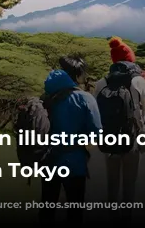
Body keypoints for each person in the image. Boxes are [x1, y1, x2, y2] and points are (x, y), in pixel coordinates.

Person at [39, 56, 102, 225]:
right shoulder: (85, 98)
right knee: (75, 210)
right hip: (75, 162)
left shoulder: (45, 96)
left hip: (48, 160)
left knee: (47, 208)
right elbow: (96, 132)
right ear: (78, 74)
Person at [93, 37, 145, 222]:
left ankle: (112, 214)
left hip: (110, 136)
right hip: (132, 136)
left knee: (112, 181)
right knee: (130, 181)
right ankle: (127, 215)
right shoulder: (139, 80)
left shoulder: (102, 82)